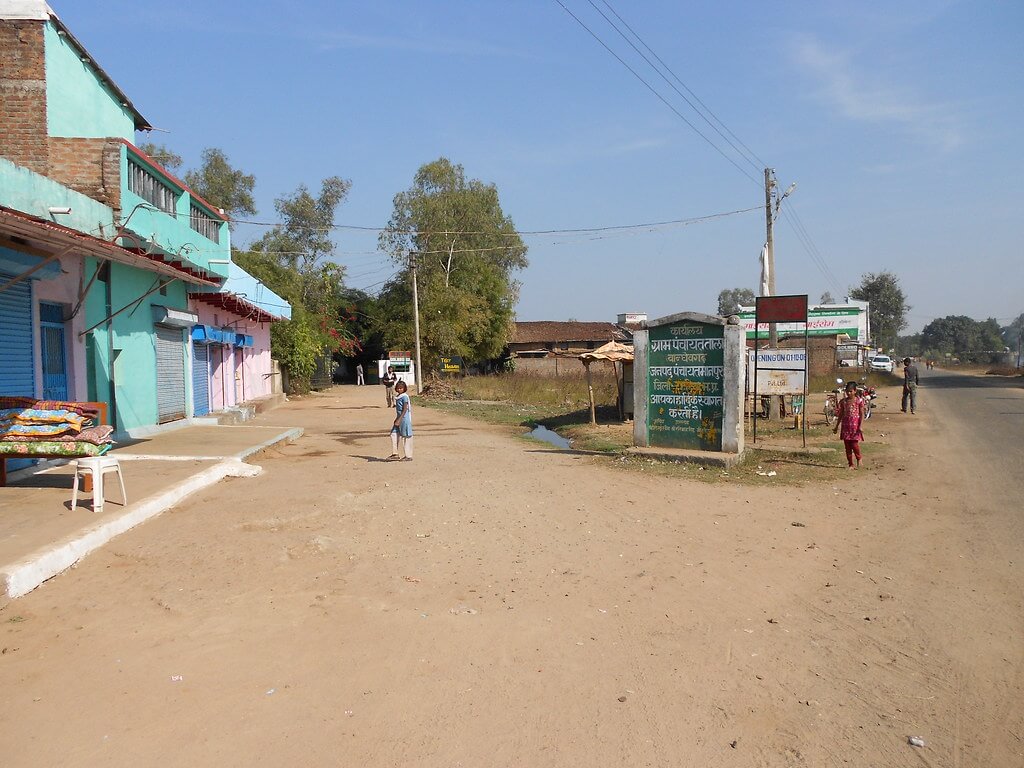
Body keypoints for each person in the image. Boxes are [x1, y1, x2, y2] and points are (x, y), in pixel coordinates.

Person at [833, 380, 866, 469]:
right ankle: (850, 464)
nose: (848, 393)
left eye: (850, 391)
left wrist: (861, 425)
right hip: (846, 426)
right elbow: (841, 414)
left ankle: (859, 458)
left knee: (854, 444)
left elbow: (862, 413)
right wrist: (836, 426)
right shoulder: (843, 402)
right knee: (847, 446)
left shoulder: (859, 401)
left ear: (855, 391)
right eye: (847, 391)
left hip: (855, 427)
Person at [387, 380, 413, 461]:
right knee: (393, 434)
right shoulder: (399, 396)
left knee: (406, 437)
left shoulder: (404, 397)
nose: (399, 390)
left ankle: (408, 455)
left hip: (404, 419)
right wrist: (397, 419)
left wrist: (399, 419)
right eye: (398, 388)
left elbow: (405, 409)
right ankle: (395, 453)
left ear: (404, 388)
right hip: (399, 418)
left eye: (401, 388)